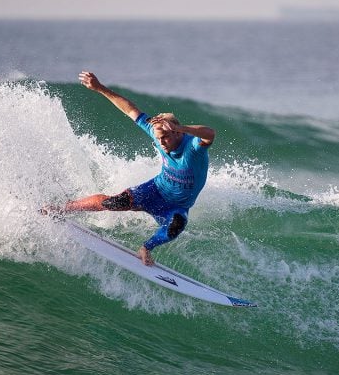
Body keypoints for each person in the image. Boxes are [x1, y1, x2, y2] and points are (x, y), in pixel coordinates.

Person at [43, 71, 215, 266]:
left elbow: (210, 134)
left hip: (176, 207)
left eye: (165, 137)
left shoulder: (193, 148)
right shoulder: (158, 134)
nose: (161, 142)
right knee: (113, 203)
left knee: (175, 227)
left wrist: (183, 128)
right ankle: (62, 208)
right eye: (158, 138)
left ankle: (145, 249)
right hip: (154, 190)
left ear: (177, 133)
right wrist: (100, 88)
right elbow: (130, 110)